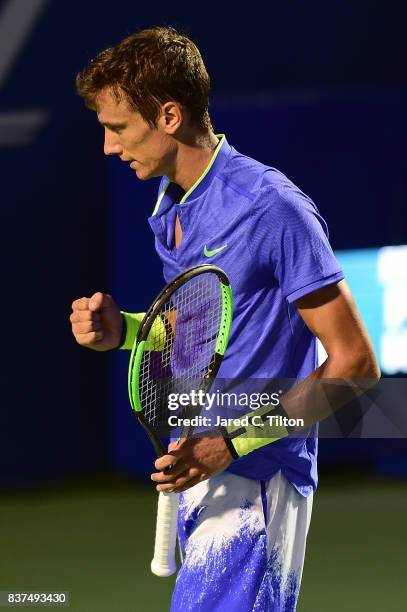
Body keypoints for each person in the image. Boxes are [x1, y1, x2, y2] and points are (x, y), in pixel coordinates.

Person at [70, 27, 380, 611]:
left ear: (168, 115)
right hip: (206, 464)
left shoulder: (271, 207)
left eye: (118, 128)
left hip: (257, 477)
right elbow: (206, 333)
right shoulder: (172, 202)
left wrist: (232, 444)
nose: (109, 147)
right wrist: (127, 331)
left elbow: (356, 364)